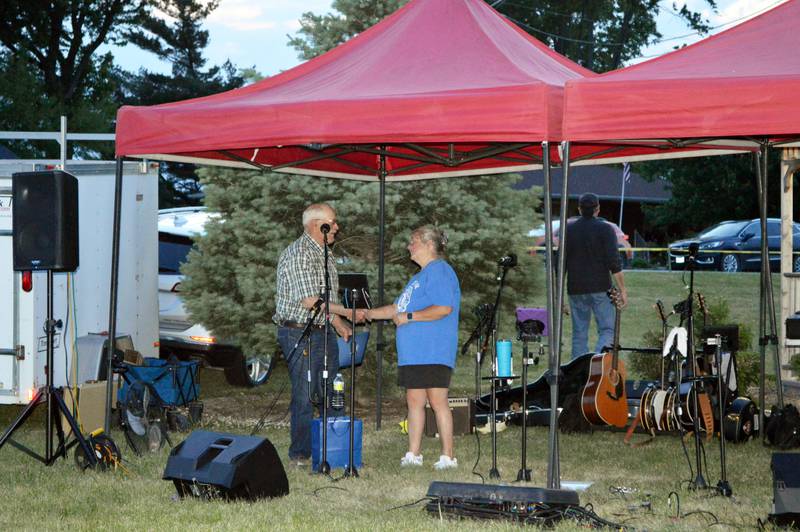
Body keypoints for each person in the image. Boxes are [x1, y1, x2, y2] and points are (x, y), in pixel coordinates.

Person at [274, 202, 363, 466]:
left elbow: (323, 302)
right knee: (304, 394)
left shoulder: (323, 252)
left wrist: (337, 323)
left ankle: (335, 449)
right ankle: (300, 454)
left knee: (332, 389)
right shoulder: (300, 253)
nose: (337, 227)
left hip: (321, 332)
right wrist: (348, 312)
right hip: (298, 333)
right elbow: (310, 301)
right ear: (317, 225)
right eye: (332, 223)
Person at [365, 225, 461, 470]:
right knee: (414, 400)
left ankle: (448, 457)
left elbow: (443, 308)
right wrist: (366, 313)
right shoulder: (418, 278)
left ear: (429, 245)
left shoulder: (439, 271)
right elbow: (395, 309)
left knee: (437, 400)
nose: (409, 246)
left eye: (413, 241)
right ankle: (413, 454)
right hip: (414, 353)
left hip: (433, 349)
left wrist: (409, 317)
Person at [563, 193, 627, 358]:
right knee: (607, 329)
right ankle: (596, 363)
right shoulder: (606, 229)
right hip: (600, 287)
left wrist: (559, 298)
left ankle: (578, 371)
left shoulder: (568, 230)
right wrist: (623, 290)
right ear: (597, 209)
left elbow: (560, 265)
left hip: (575, 288)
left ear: (579, 209)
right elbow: (614, 262)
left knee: (579, 333)